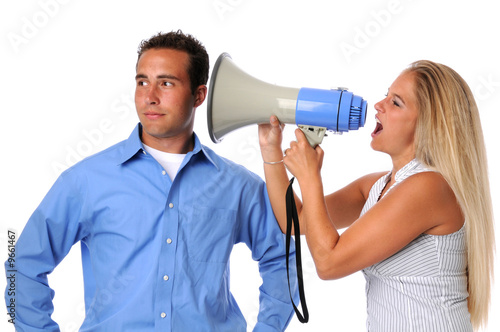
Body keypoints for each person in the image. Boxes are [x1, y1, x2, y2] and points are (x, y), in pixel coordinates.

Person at [5, 30, 297, 332]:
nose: (149, 96)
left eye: (166, 83)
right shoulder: (85, 181)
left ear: (199, 95)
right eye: (142, 81)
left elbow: (283, 259)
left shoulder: (238, 186)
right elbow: (22, 265)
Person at [258, 60, 494, 331]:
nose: (378, 105)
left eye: (396, 102)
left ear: (428, 124)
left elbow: (328, 263)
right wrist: (270, 149)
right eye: (386, 95)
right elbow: (297, 221)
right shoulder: (379, 186)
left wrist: (310, 177)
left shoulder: (430, 187)